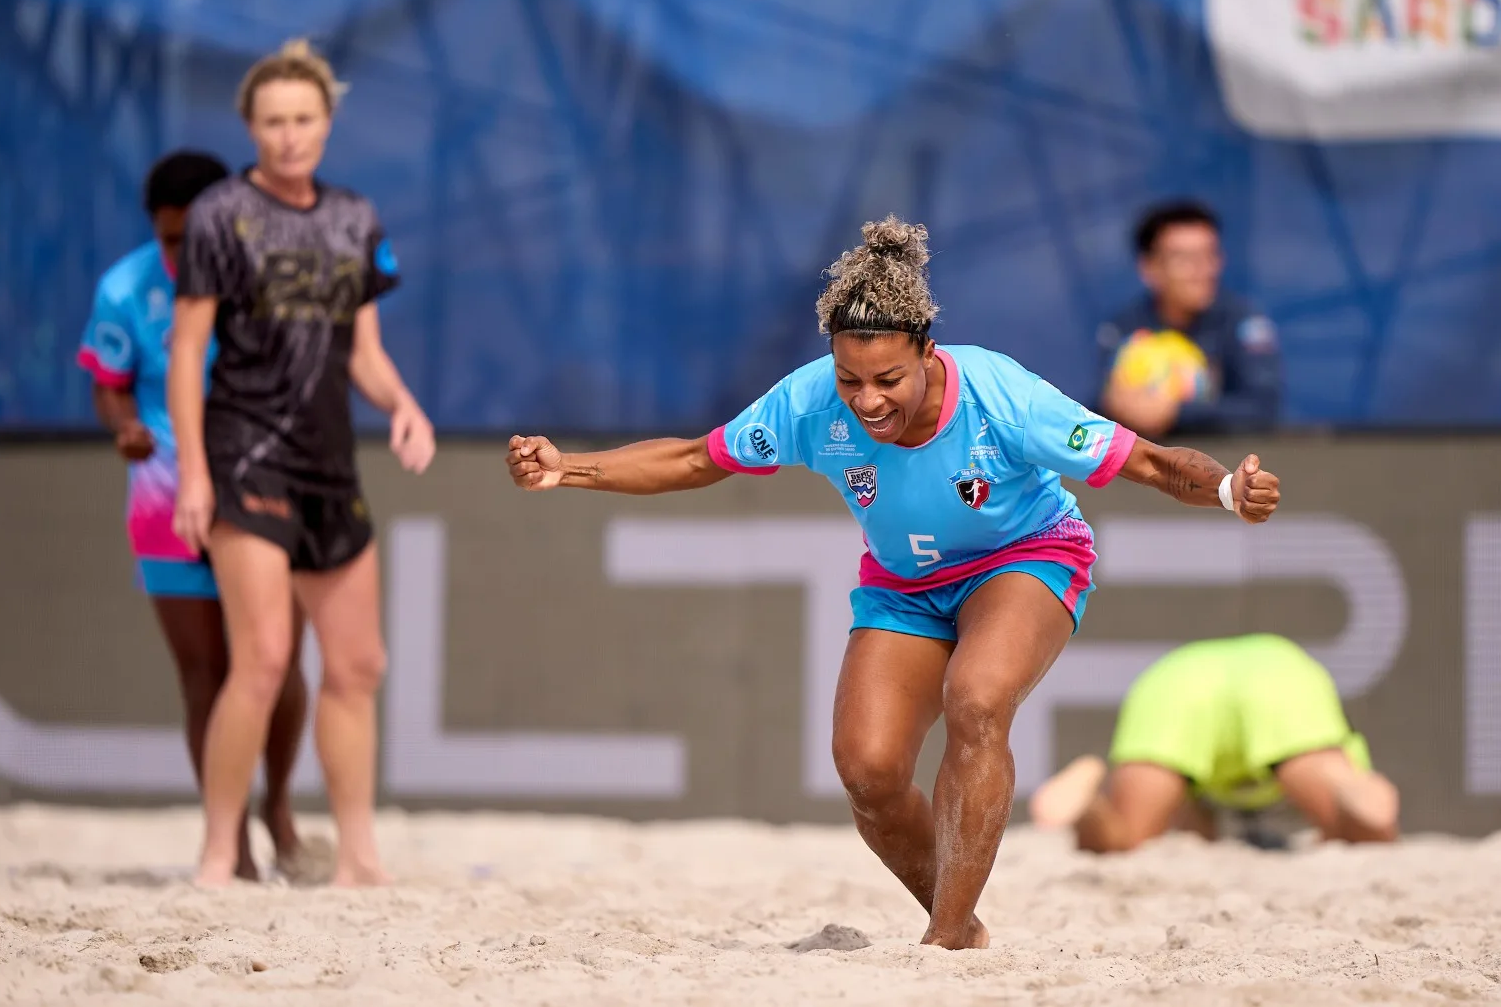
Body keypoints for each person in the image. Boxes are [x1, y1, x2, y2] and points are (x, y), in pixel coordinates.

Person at [506, 216, 1282, 949]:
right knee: (869, 774)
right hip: (904, 584)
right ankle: (963, 923)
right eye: (851, 380)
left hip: (1026, 558)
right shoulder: (812, 398)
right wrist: (568, 468)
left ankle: (944, 940)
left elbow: (1146, 460)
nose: (868, 400)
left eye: (888, 378)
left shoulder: (998, 392)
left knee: (976, 702)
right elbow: (694, 460)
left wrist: (1224, 491)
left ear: (927, 349)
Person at [168, 40, 436, 888]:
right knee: (264, 658)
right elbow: (187, 351)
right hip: (245, 451)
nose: (289, 136)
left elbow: (363, 354)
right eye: (273, 121)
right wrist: (194, 475)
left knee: (359, 665)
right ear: (251, 126)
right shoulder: (218, 213)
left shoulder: (355, 218)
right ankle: (220, 849)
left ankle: (357, 856)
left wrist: (404, 407)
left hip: (329, 463)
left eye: (304, 120)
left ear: (327, 123)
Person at [76, 149, 319, 883]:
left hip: (269, 486)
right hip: (166, 495)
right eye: (168, 239)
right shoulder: (125, 287)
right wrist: (123, 426)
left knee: (274, 664)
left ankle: (277, 805)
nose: (178, 253)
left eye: (192, 237)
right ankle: (231, 833)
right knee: (204, 676)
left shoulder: (279, 274)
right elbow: (110, 382)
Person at [1028, 633, 1400, 851]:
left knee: (1127, 839)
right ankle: (1346, 784)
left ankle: (1091, 794)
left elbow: (1197, 833)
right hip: (1279, 673)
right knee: (1362, 834)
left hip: (1176, 679)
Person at [1096, 200, 1282, 438]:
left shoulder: (1244, 322)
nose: (1202, 270)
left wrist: (1175, 412)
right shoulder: (1122, 327)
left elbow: (1263, 407)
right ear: (1149, 268)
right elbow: (1098, 409)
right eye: (1184, 258)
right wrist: (1115, 406)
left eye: (1209, 255)